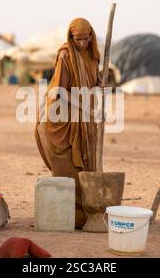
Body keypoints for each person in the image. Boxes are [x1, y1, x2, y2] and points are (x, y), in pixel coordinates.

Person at [34, 18, 101, 229]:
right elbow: (59, 92)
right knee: (68, 171)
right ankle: (68, 217)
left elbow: (94, 84)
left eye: (85, 39)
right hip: (61, 120)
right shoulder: (65, 56)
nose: (81, 43)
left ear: (91, 36)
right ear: (70, 38)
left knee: (88, 165)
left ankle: (87, 216)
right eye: (77, 39)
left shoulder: (93, 56)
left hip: (85, 119)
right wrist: (86, 108)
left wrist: (97, 106)